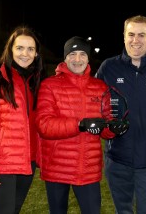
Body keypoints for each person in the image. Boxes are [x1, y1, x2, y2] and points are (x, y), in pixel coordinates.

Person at [35, 36, 127, 214]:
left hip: (87, 167)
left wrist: (113, 129)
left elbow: (105, 127)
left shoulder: (100, 87)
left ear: (88, 57)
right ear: (65, 58)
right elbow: (44, 125)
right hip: (57, 167)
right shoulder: (49, 86)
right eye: (72, 54)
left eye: (82, 54)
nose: (77, 59)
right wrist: (80, 125)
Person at [95, 15, 146, 213]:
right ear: (124, 36)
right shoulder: (109, 67)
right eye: (131, 34)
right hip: (117, 158)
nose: (135, 40)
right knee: (122, 210)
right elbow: (91, 100)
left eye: (142, 35)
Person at [0, 26, 47, 214]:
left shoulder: (36, 83)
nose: (25, 53)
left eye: (30, 49)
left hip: (27, 164)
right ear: (10, 50)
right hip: (2, 165)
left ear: (36, 54)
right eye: (19, 48)